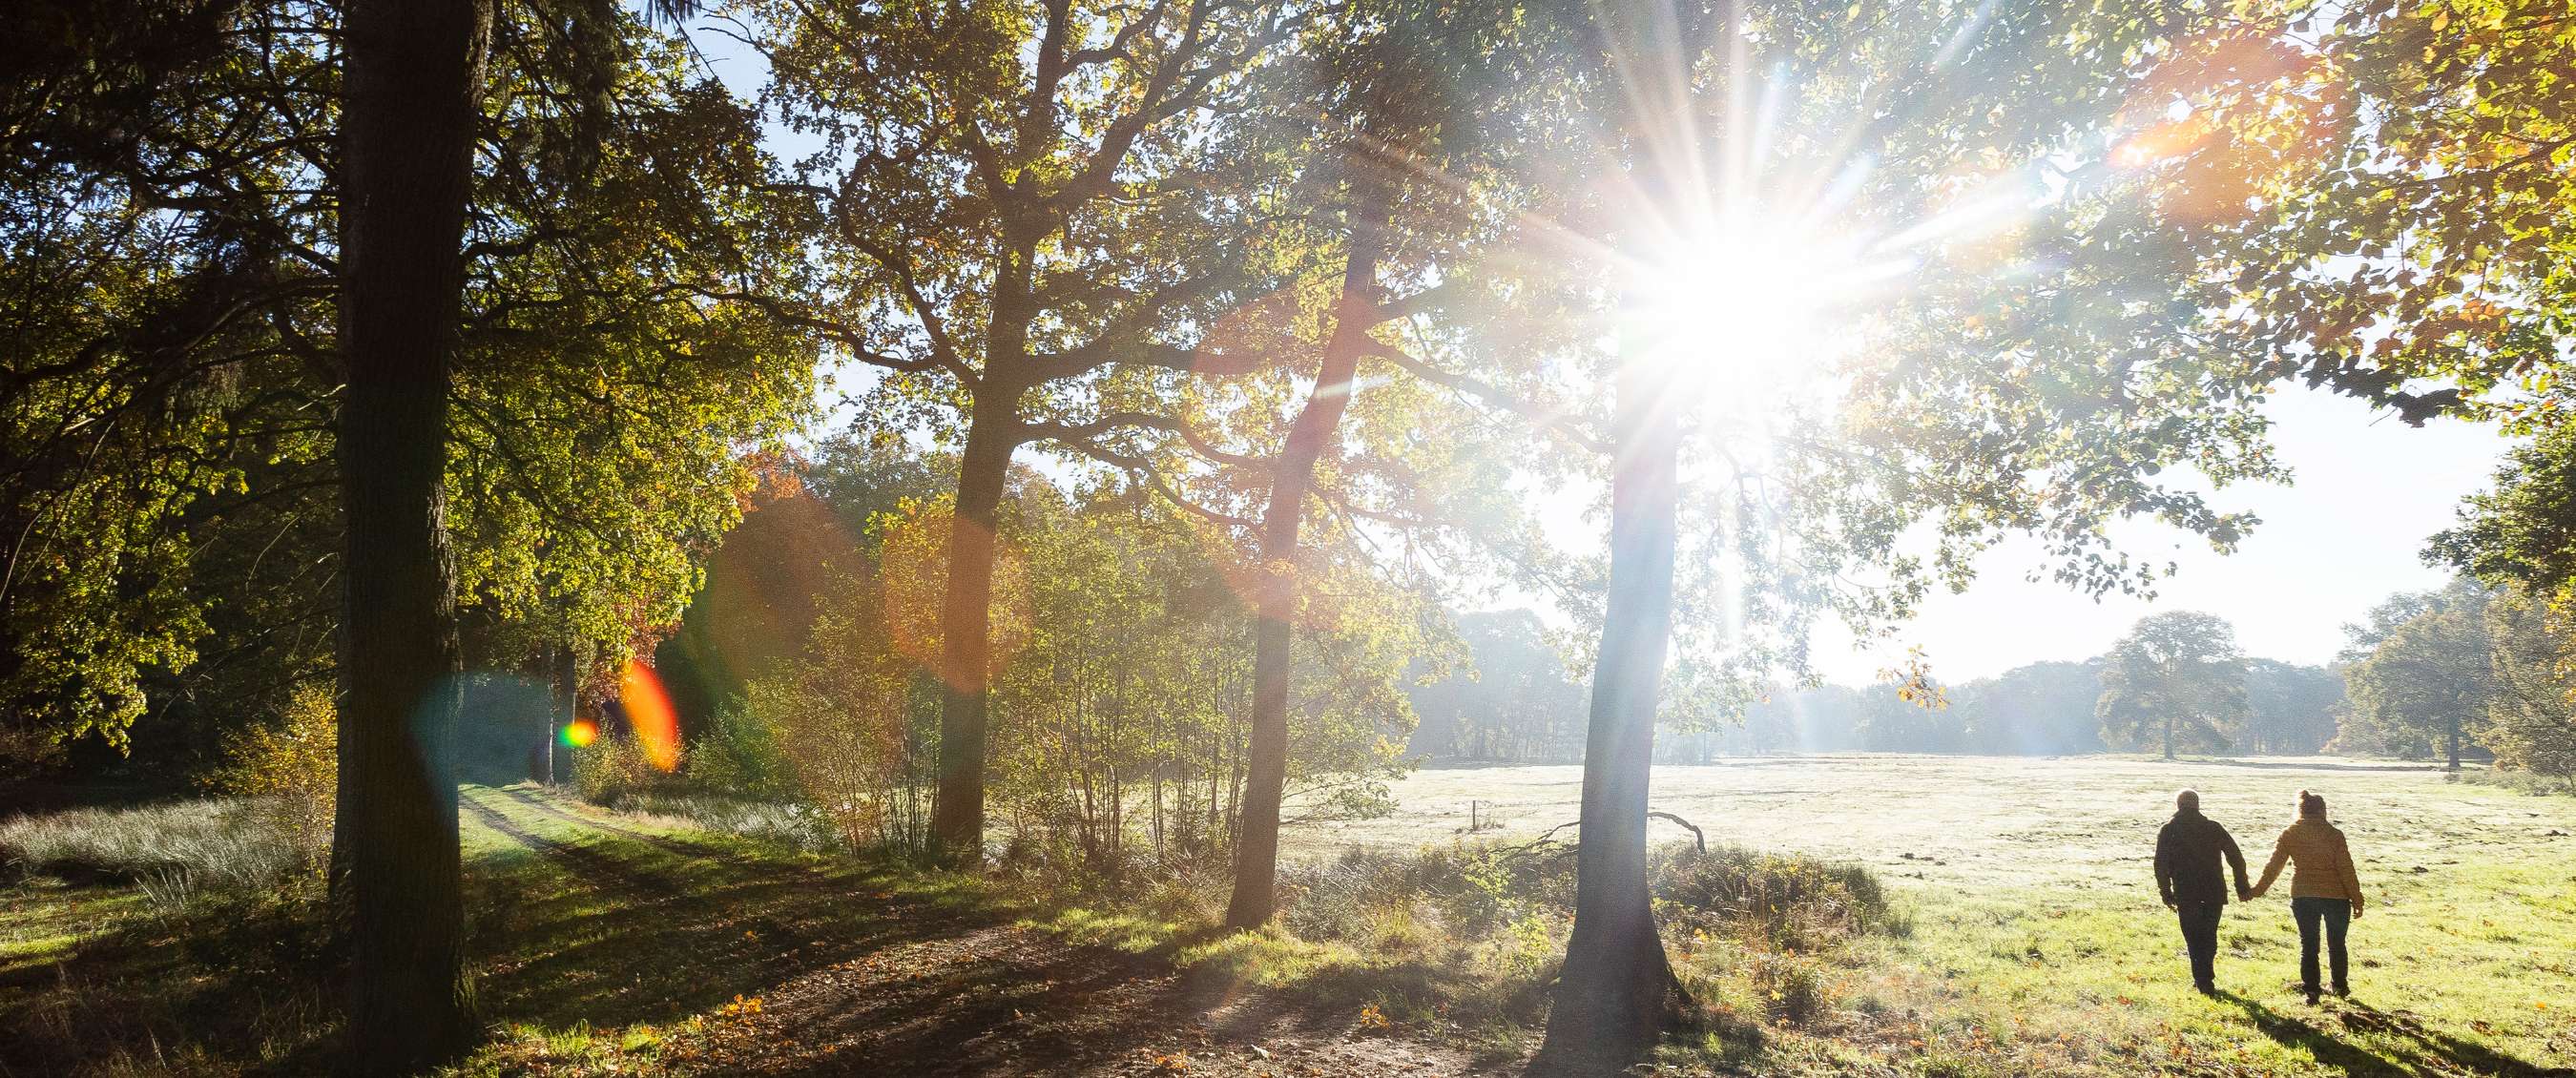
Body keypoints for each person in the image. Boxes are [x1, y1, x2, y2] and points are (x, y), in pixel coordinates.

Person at [2249, 789, 2365, 1005]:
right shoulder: (2334, 835)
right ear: (2323, 810)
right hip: (2337, 897)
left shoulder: (2290, 833)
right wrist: (2357, 899)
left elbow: (2274, 866)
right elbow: (2346, 869)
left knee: (2309, 944)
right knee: (2337, 943)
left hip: (2303, 895)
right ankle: (2339, 986)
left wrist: (2257, 890)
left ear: (2300, 810)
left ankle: (2311, 990)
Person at [2154, 788, 2252, 996]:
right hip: (2213, 891)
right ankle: (2205, 978)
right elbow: (2236, 857)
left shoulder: (2169, 829)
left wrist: (2165, 891)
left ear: (2178, 806)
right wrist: (2241, 886)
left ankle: (2203, 980)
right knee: (2209, 934)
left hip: (2185, 892)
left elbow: (2160, 863)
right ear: (2197, 805)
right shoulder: (2213, 828)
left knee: (2193, 936)